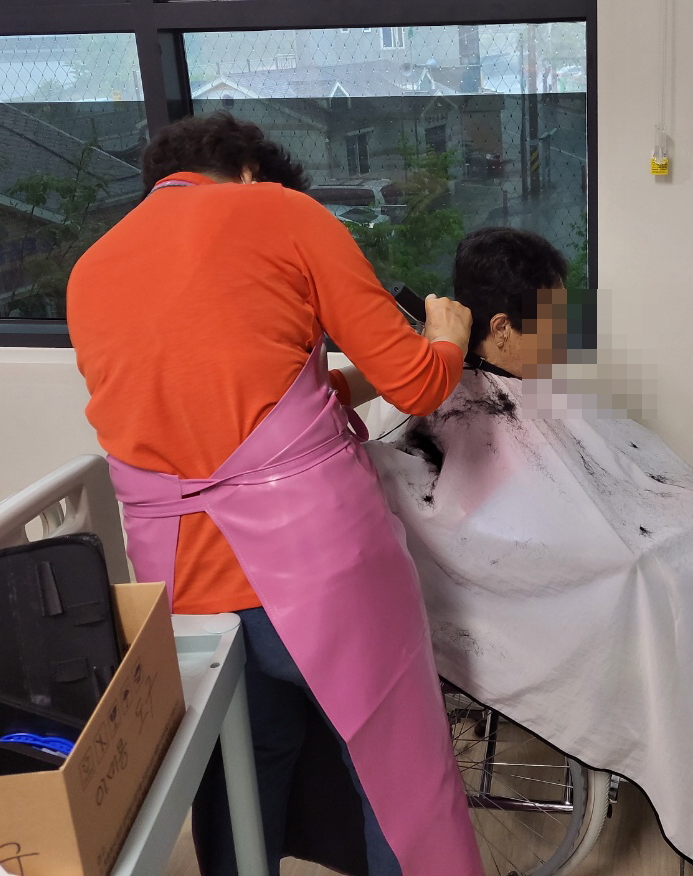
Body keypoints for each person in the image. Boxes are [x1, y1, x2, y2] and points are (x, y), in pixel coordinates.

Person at [363, 227, 693, 876]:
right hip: (608, 567)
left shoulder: (517, 393)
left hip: (644, 538)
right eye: (553, 324)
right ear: (502, 329)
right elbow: (501, 531)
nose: (563, 340)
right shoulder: (457, 413)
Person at [65, 112, 484, 876]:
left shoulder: (91, 269)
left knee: (240, 776)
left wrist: (340, 384)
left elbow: (244, 408)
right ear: (252, 174)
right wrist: (448, 334)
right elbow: (418, 383)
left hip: (183, 583)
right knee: (394, 771)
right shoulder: (280, 213)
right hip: (319, 568)